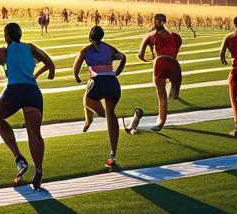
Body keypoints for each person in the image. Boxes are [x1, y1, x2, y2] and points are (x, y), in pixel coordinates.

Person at [0, 23, 56, 190]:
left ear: (7, 37)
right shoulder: (30, 48)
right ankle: (38, 170)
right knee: (35, 133)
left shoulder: (2, 51)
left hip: (14, 91)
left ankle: (19, 158)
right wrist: (35, 75)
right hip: (32, 91)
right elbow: (51, 66)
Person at [73, 25, 126, 167]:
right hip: (113, 83)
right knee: (111, 115)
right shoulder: (109, 48)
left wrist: (77, 77)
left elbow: (75, 67)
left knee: (86, 100)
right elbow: (123, 57)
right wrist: (118, 71)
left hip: (98, 82)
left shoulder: (86, 49)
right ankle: (113, 155)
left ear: (90, 37)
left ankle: (94, 118)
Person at [136, 13, 183, 132]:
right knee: (174, 94)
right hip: (174, 64)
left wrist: (152, 57)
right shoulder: (176, 36)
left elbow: (140, 55)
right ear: (165, 22)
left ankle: (161, 122)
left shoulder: (150, 36)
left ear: (154, 21)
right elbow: (175, 52)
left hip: (160, 63)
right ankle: (174, 91)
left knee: (162, 96)